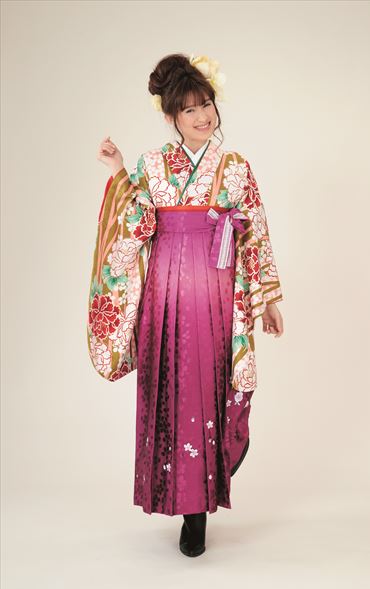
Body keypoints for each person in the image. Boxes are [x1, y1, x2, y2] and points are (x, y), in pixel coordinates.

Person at [87, 53, 284, 558]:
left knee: (210, 387)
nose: (202, 116)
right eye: (189, 109)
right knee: (172, 389)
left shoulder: (235, 168)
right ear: (171, 115)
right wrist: (118, 169)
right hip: (167, 293)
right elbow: (136, 222)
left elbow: (255, 232)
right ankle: (185, 507)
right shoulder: (152, 165)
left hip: (218, 291)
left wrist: (265, 299)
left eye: (207, 105)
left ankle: (202, 500)